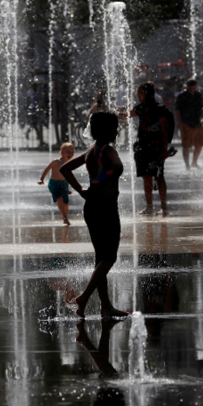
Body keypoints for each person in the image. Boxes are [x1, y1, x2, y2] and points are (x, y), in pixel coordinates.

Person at [60, 111, 128, 319]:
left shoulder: (91, 151)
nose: (117, 131)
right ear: (108, 130)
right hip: (106, 207)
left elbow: (65, 168)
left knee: (100, 258)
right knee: (110, 257)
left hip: (91, 206)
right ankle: (84, 297)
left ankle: (105, 306)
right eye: (115, 128)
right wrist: (112, 182)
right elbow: (118, 166)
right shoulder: (107, 149)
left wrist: (81, 190)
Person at [126, 82, 170, 216]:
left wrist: (164, 149)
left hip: (156, 147)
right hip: (142, 147)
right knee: (146, 178)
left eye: (140, 92)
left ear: (146, 93)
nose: (137, 94)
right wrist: (108, 113)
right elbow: (126, 115)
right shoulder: (140, 108)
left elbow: (164, 130)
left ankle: (164, 207)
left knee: (158, 176)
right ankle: (149, 207)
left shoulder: (159, 109)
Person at [38, 142, 75, 225]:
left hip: (63, 184)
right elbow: (47, 169)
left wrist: (68, 188)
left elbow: (67, 177)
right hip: (54, 184)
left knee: (66, 203)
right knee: (60, 199)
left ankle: (64, 215)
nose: (70, 154)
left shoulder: (69, 164)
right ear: (62, 152)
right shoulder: (56, 162)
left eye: (72, 152)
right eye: (68, 152)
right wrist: (41, 179)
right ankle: (65, 218)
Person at [175, 79, 203, 170]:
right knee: (186, 145)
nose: (192, 87)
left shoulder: (198, 95)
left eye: (194, 85)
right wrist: (179, 121)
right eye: (190, 85)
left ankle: (194, 162)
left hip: (197, 122)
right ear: (187, 86)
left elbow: (201, 108)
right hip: (186, 123)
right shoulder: (182, 96)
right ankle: (187, 165)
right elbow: (177, 110)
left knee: (199, 143)